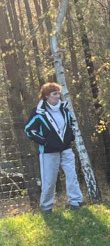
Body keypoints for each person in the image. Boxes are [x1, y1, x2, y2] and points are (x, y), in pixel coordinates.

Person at [24, 82, 84, 213]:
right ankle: (46, 208)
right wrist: (44, 142)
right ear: (46, 96)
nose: (58, 96)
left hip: (66, 149)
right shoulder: (38, 112)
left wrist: (71, 136)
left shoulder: (65, 109)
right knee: (49, 181)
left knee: (72, 176)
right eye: (54, 94)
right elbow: (29, 130)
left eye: (58, 93)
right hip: (48, 152)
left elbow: (72, 124)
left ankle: (76, 203)